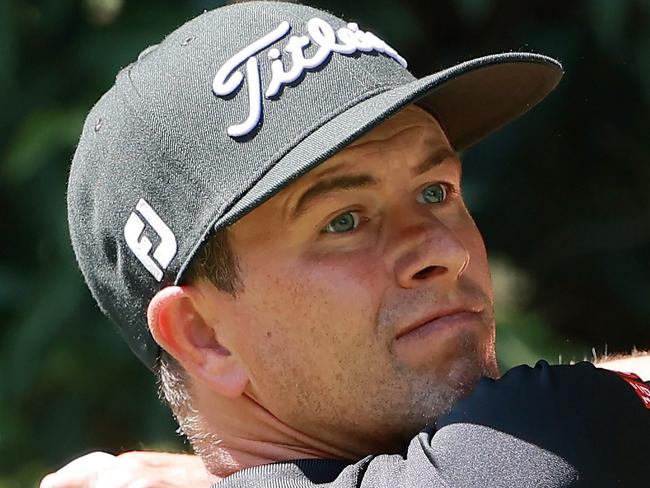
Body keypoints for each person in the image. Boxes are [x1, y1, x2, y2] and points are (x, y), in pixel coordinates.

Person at [43, 2, 650, 487]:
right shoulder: (550, 438)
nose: (443, 251)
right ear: (205, 336)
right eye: (343, 221)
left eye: (436, 190)